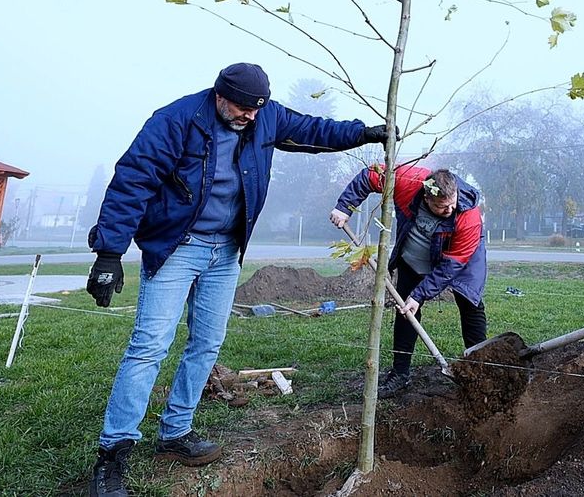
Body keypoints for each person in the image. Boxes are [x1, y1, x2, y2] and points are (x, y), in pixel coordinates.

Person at [86, 63, 390, 497]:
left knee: (207, 342)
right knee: (149, 347)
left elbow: (313, 130)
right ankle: (112, 455)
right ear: (219, 96)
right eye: (243, 108)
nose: (250, 116)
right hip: (177, 246)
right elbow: (133, 180)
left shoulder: (264, 115)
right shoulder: (176, 120)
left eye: (256, 109)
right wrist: (110, 252)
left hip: (226, 251)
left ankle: (176, 432)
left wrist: (365, 133)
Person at [329, 165, 487, 397]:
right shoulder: (409, 180)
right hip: (416, 249)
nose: (450, 209)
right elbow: (370, 176)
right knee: (406, 309)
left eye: (452, 203)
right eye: (442, 207)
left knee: (470, 304)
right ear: (427, 196)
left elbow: (451, 265)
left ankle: (480, 370)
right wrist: (344, 207)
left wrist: (420, 294)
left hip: (461, 255)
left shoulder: (468, 216)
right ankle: (400, 373)